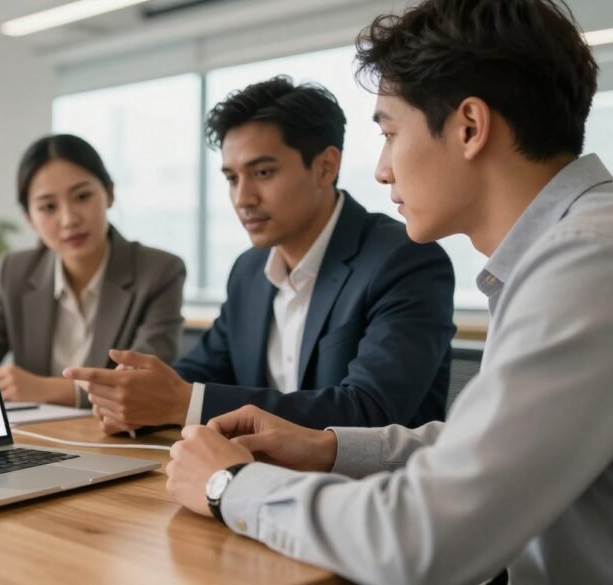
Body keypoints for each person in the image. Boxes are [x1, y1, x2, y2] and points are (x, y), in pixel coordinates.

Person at [165, 1, 612, 583]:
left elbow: (421, 540)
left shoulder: (587, 261)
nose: (381, 170)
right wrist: (327, 447)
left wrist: (230, 485)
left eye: (389, 133)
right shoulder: (566, 249)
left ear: (469, 127)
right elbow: (504, 446)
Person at [65, 77, 455, 434]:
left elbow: (370, 412)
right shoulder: (249, 270)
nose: (243, 198)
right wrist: (134, 394)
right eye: (232, 178)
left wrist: (183, 403)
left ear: (325, 167)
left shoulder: (405, 261)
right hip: (248, 476)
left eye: (263, 173)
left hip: (367, 487)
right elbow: (201, 373)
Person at [0, 134, 186, 407]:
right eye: (49, 207)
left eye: (82, 197)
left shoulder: (159, 271)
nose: (69, 219)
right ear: (29, 219)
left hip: (111, 431)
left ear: (109, 194)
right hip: (31, 431)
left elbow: (142, 384)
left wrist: (44, 389)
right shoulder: (15, 271)